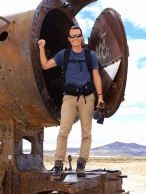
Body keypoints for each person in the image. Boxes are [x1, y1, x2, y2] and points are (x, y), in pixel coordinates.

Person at [38, 26, 104, 181]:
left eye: (78, 36)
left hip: (87, 97)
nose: (75, 38)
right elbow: (45, 65)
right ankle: (58, 164)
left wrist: (100, 96)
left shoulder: (90, 55)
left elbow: (96, 76)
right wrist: (42, 47)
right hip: (69, 98)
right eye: (72, 36)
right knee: (63, 131)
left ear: (81, 37)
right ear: (69, 38)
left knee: (86, 133)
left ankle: (81, 164)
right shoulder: (64, 54)